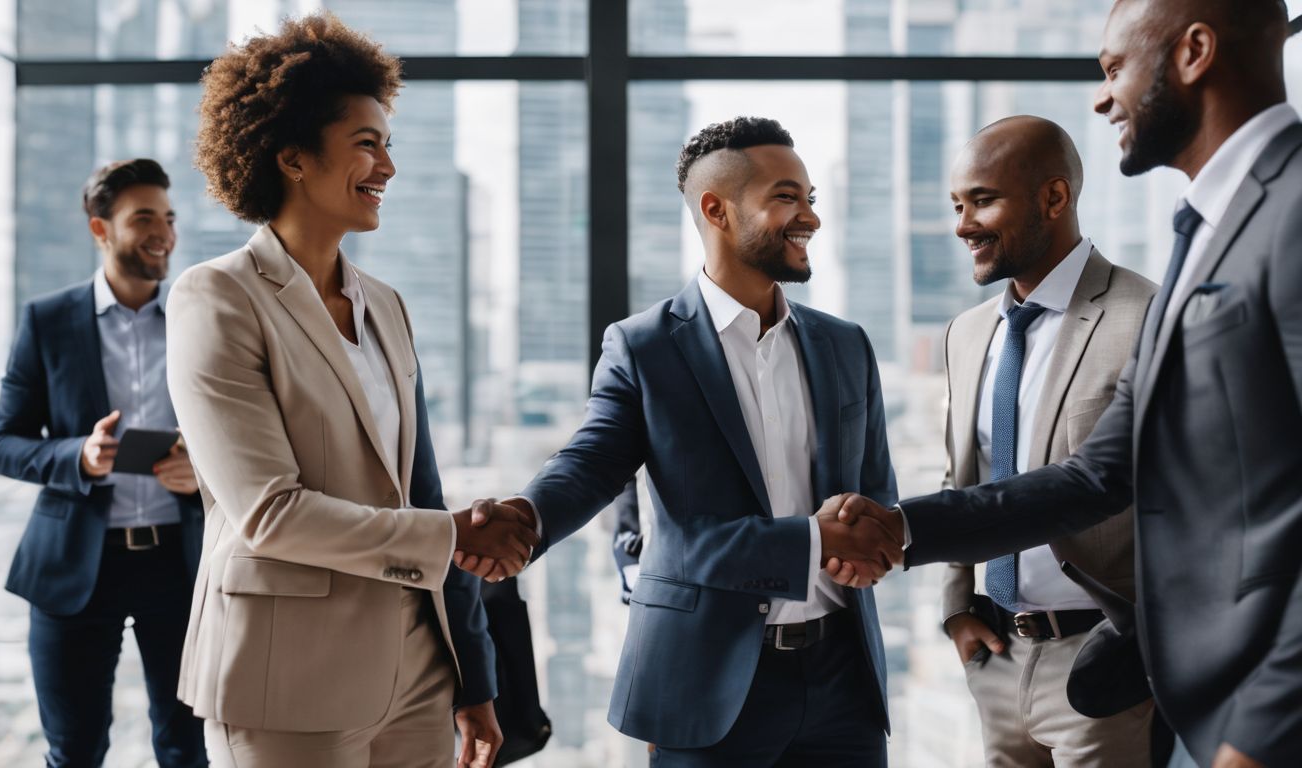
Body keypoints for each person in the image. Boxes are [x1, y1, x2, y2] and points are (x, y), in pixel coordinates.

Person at [828, 2, 1302, 765]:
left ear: (1195, 52)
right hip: (1189, 695)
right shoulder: (1205, 232)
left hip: (1246, 706)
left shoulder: (1289, 209)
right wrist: (902, 531)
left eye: (1116, 67)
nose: (1101, 97)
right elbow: (1097, 474)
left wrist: (1261, 727)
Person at [465, 117, 904, 765]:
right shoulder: (643, 346)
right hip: (707, 683)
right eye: (787, 197)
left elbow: (875, 492)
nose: (809, 216)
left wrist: (867, 545)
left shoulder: (845, 344)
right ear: (716, 210)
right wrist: (526, 518)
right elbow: (592, 464)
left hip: (843, 681)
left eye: (811, 198)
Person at [166, 13, 536, 768]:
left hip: (418, 670)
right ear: (294, 157)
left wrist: (474, 676)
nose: (387, 167)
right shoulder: (217, 299)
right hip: (287, 676)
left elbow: (421, 490)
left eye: (387, 144)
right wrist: (453, 534)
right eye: (367, 144)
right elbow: (269, 512)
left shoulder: (386, 305)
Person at [940, 116, 1158, 765]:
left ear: (1054, 198)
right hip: (998, 659)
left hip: (1105, 664)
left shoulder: (1147, 316)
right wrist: (957, 608)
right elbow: (964, 481)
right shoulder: (967, 332)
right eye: (957, 205)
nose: (962, 224)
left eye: (982, 200)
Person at [0, 158, 207, 767]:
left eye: (168, 217)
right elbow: (0, 442)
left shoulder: (201, 319)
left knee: (186, 750)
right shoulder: (48, 320)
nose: (163, 232)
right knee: (75, 750)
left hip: (180, 564)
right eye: (143, 218)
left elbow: (250, 438)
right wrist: (76, 456)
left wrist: (204, 474)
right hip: (75, 567)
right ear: (99, 229)